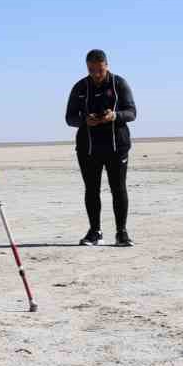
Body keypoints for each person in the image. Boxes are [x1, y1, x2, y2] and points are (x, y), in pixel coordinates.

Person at [64, 49, 136, 246]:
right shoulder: (80, 87)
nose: (96, 74)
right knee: (91, 190)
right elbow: (69, 118)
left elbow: (132, 112)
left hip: (116, 146)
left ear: (107, 66)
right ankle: (95, 231)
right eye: (91, 70)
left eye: (100, 70)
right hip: (88, 148)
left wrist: (115, 116)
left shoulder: (118, 83)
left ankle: (121, 232)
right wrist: (85, 120)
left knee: (118, 188)